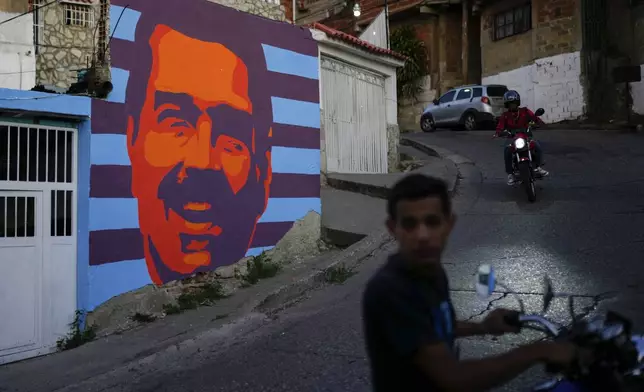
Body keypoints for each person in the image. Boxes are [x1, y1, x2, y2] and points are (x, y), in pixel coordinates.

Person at [362, 174, 580, 392]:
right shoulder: (390, 290)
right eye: (410, 224)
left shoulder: (431, 271)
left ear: (449, 223)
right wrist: (537, 351)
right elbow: (453, 379)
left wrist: (483, 327)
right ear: (392, 228)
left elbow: (439, 326)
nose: (422, 235)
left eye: (432, 222)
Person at [495, 90, 548, 186]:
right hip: (512, 138)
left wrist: (540, 124)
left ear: (517, 103)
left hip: (526, 136)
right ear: (507, 105)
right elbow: (500, 127)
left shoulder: (525, 111)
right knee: (507, 150)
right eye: (510, 104)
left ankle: (538, 167)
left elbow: (535, 118)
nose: (512, 105)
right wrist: (499, 133)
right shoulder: (505, 116)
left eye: (514, 103)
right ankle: (510, 174)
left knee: (537, 146)